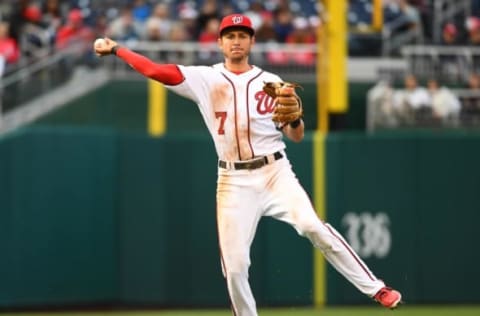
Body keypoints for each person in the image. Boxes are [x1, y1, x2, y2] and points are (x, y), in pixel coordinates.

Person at [94, 14, 402, 316]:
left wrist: (294, 117)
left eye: (242, 36)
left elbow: (296, 136)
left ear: (252, 41)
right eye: (230, 36)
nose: (236, 41)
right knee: (235, 265)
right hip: (232, 180)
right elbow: (155, 70)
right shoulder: (204, 78)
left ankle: (376, 288)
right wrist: (119, 49)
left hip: (274, 172)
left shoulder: (271, 81)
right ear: (220, 43)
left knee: (312, 225)